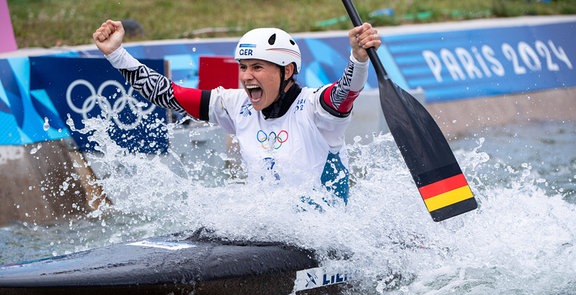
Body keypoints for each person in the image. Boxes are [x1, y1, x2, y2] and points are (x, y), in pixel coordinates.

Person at [93, 20, 381, 205]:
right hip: (270, 230)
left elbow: (346, 92)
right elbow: (170, 95)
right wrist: (116, 54)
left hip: (325, 239)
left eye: (257, 67)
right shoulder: (235, 105)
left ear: (288, 71)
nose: (246, 77)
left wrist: (358, 58)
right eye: (243, 67)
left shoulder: (317, 109)